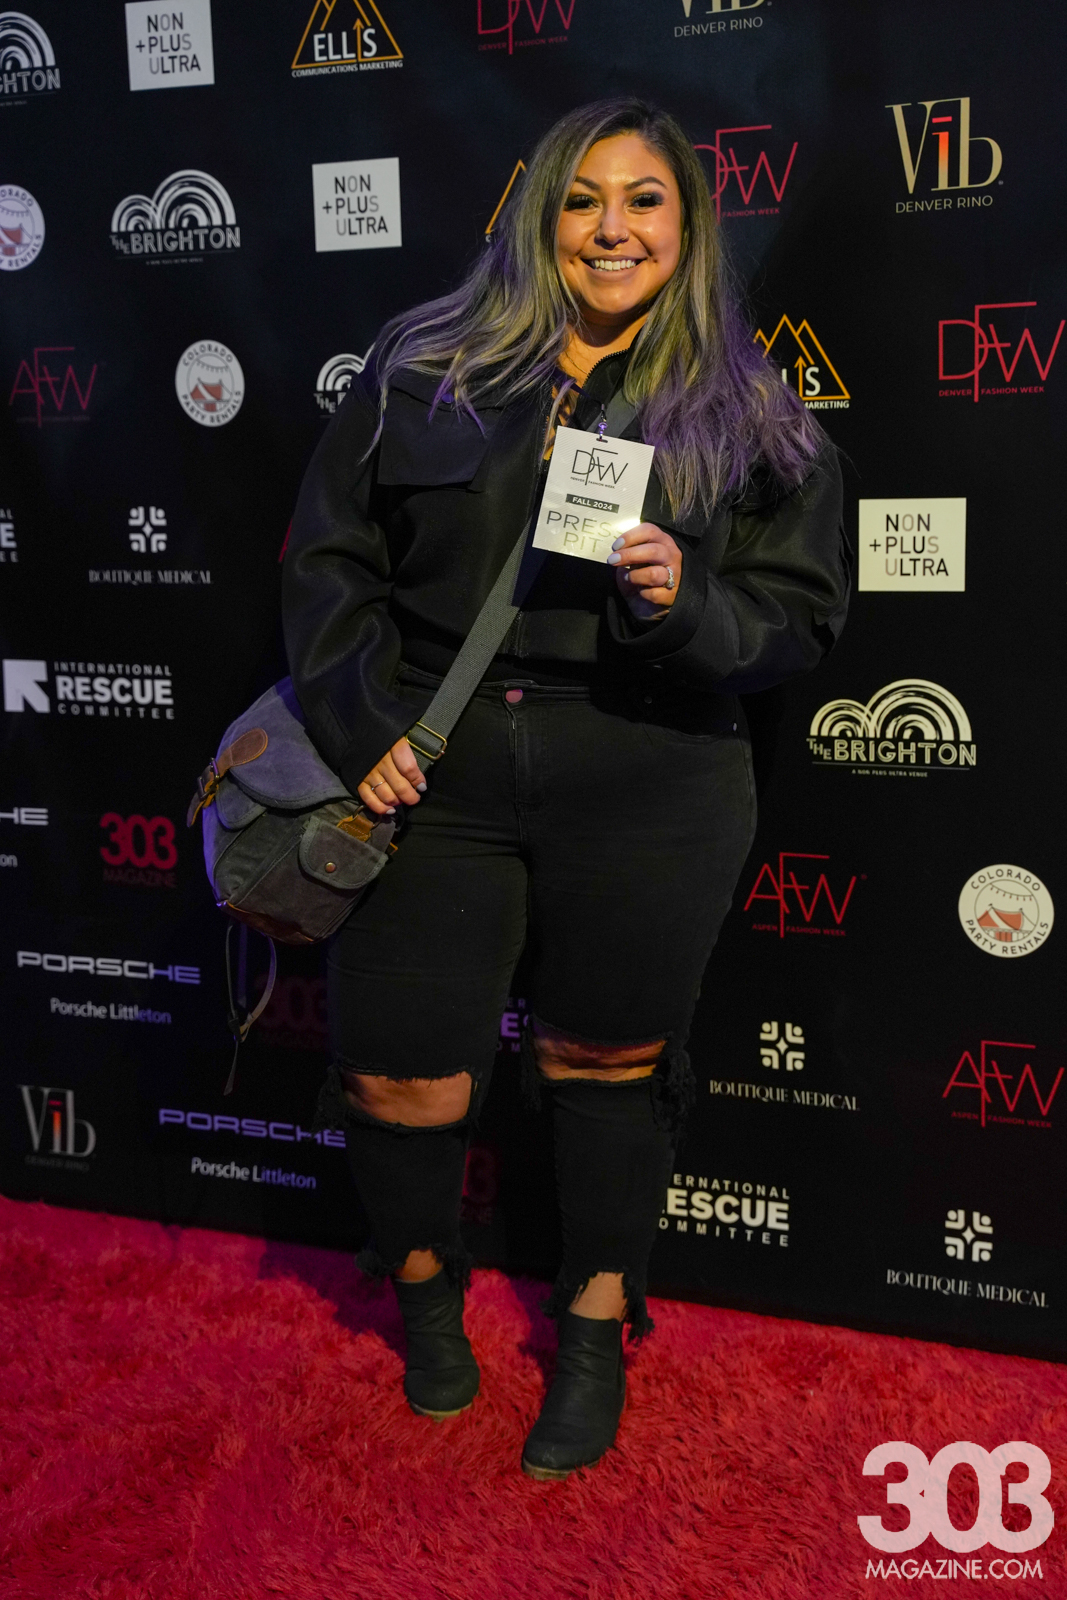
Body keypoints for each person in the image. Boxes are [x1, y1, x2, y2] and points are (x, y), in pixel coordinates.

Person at [282, 98, 849, 1480]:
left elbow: (798, 616)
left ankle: (593, 1330)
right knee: (400, 1074)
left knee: (606, 1065)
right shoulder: (423, 362)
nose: (611, 227)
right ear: (540, 213)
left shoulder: (750, 405)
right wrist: (367, 723)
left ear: (687, 224)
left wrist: (684, 600)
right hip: (435, 771)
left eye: (644, 199)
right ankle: (426, 1298)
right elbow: (328, 561)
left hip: (650, 773)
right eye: (583, 197)